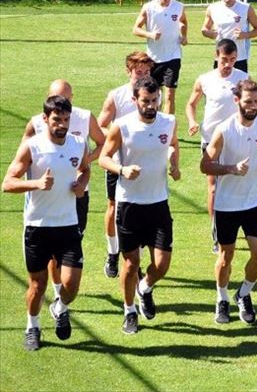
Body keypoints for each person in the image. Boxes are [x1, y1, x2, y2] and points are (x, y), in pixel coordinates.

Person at [3, 96, 90, 351]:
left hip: (68, 225)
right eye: (56, 119)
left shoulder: (78, 144)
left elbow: (86, 169)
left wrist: (81, 184)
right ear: (45, 119)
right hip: (37, 227)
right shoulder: (33, 147)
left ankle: (59, 307)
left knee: (71, 284)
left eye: (66, 119)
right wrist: (37, 184)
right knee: (38, 285)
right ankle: (32, 326)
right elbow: (7, 183)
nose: (62, 125)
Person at [99, 76, 181, 334]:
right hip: (129, 205)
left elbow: (173, 144)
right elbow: (103, 158)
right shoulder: (122, 126)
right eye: (146, 101)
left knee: (162, 264)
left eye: (155, 100)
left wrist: (175, 165)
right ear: (135, 99)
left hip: (158, 204)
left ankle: (144, 288)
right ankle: (129, 311)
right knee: (130, 264)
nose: (151, 105)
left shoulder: (168, 122)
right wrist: (122, 170)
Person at [200, 80, 257, 325]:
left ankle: (243, 293)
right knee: (226, 256)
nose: (253, 106)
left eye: (256, 101)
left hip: (256, 201)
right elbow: (205, 165)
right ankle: (221, 298)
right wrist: (231, 168)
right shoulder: (224, 130)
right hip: (227, 204)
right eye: (248, 102)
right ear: (237, 101)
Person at [21, 79, 105, 301]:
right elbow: (23, 158)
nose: (62, 104)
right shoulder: (36, 123)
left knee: (69, 254)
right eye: (56, 99)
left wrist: (83, 165)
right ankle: (57, 291)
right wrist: (36, 182)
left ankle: (62, 297)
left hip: (76, 197)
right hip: (42, 204)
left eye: (66, 99)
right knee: (48, 261)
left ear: (72, 99)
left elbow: (101, 144)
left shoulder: (84, 118)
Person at [98, 51, 155, 279]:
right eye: (139, 72)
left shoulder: (153, 94)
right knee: (114, 207)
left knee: (142, 211)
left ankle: (136, 261)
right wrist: (119, 137)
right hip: (118, 163)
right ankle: (112, 253)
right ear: (128, 71)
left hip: (144, 163)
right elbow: (100, 126)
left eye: (147, 72)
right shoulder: (117, 95)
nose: (143, 76)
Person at [186, 39, 248, 233]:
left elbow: (249, 106)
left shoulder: (243, 79)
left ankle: (236, 223)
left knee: (237, 182)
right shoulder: (205, 79)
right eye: (224, 59)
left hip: (235, 139)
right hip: (210, 139)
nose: (228, 64)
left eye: (232, 59)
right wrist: (192, 121)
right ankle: (216, 230)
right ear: (216, 56)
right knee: (213, 186)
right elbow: (191, 104)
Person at [132, 0, 188, 114]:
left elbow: (183, 21)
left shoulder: (178, 7)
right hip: (153, 58)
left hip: (173, 56)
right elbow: (135, 29)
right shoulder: (149, 8)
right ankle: (155, 121)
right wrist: (150, 34)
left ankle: (168, 125)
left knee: (169, 95)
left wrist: (184, 36)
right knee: (155, 94)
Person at [201, 0, 257, 73]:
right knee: (219, 82)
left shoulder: (246, 8)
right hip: (221, 58)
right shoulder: (213, 8)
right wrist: (210, 34)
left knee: (241, 83)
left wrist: (245, 35)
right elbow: (204, 29)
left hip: (239, 58)